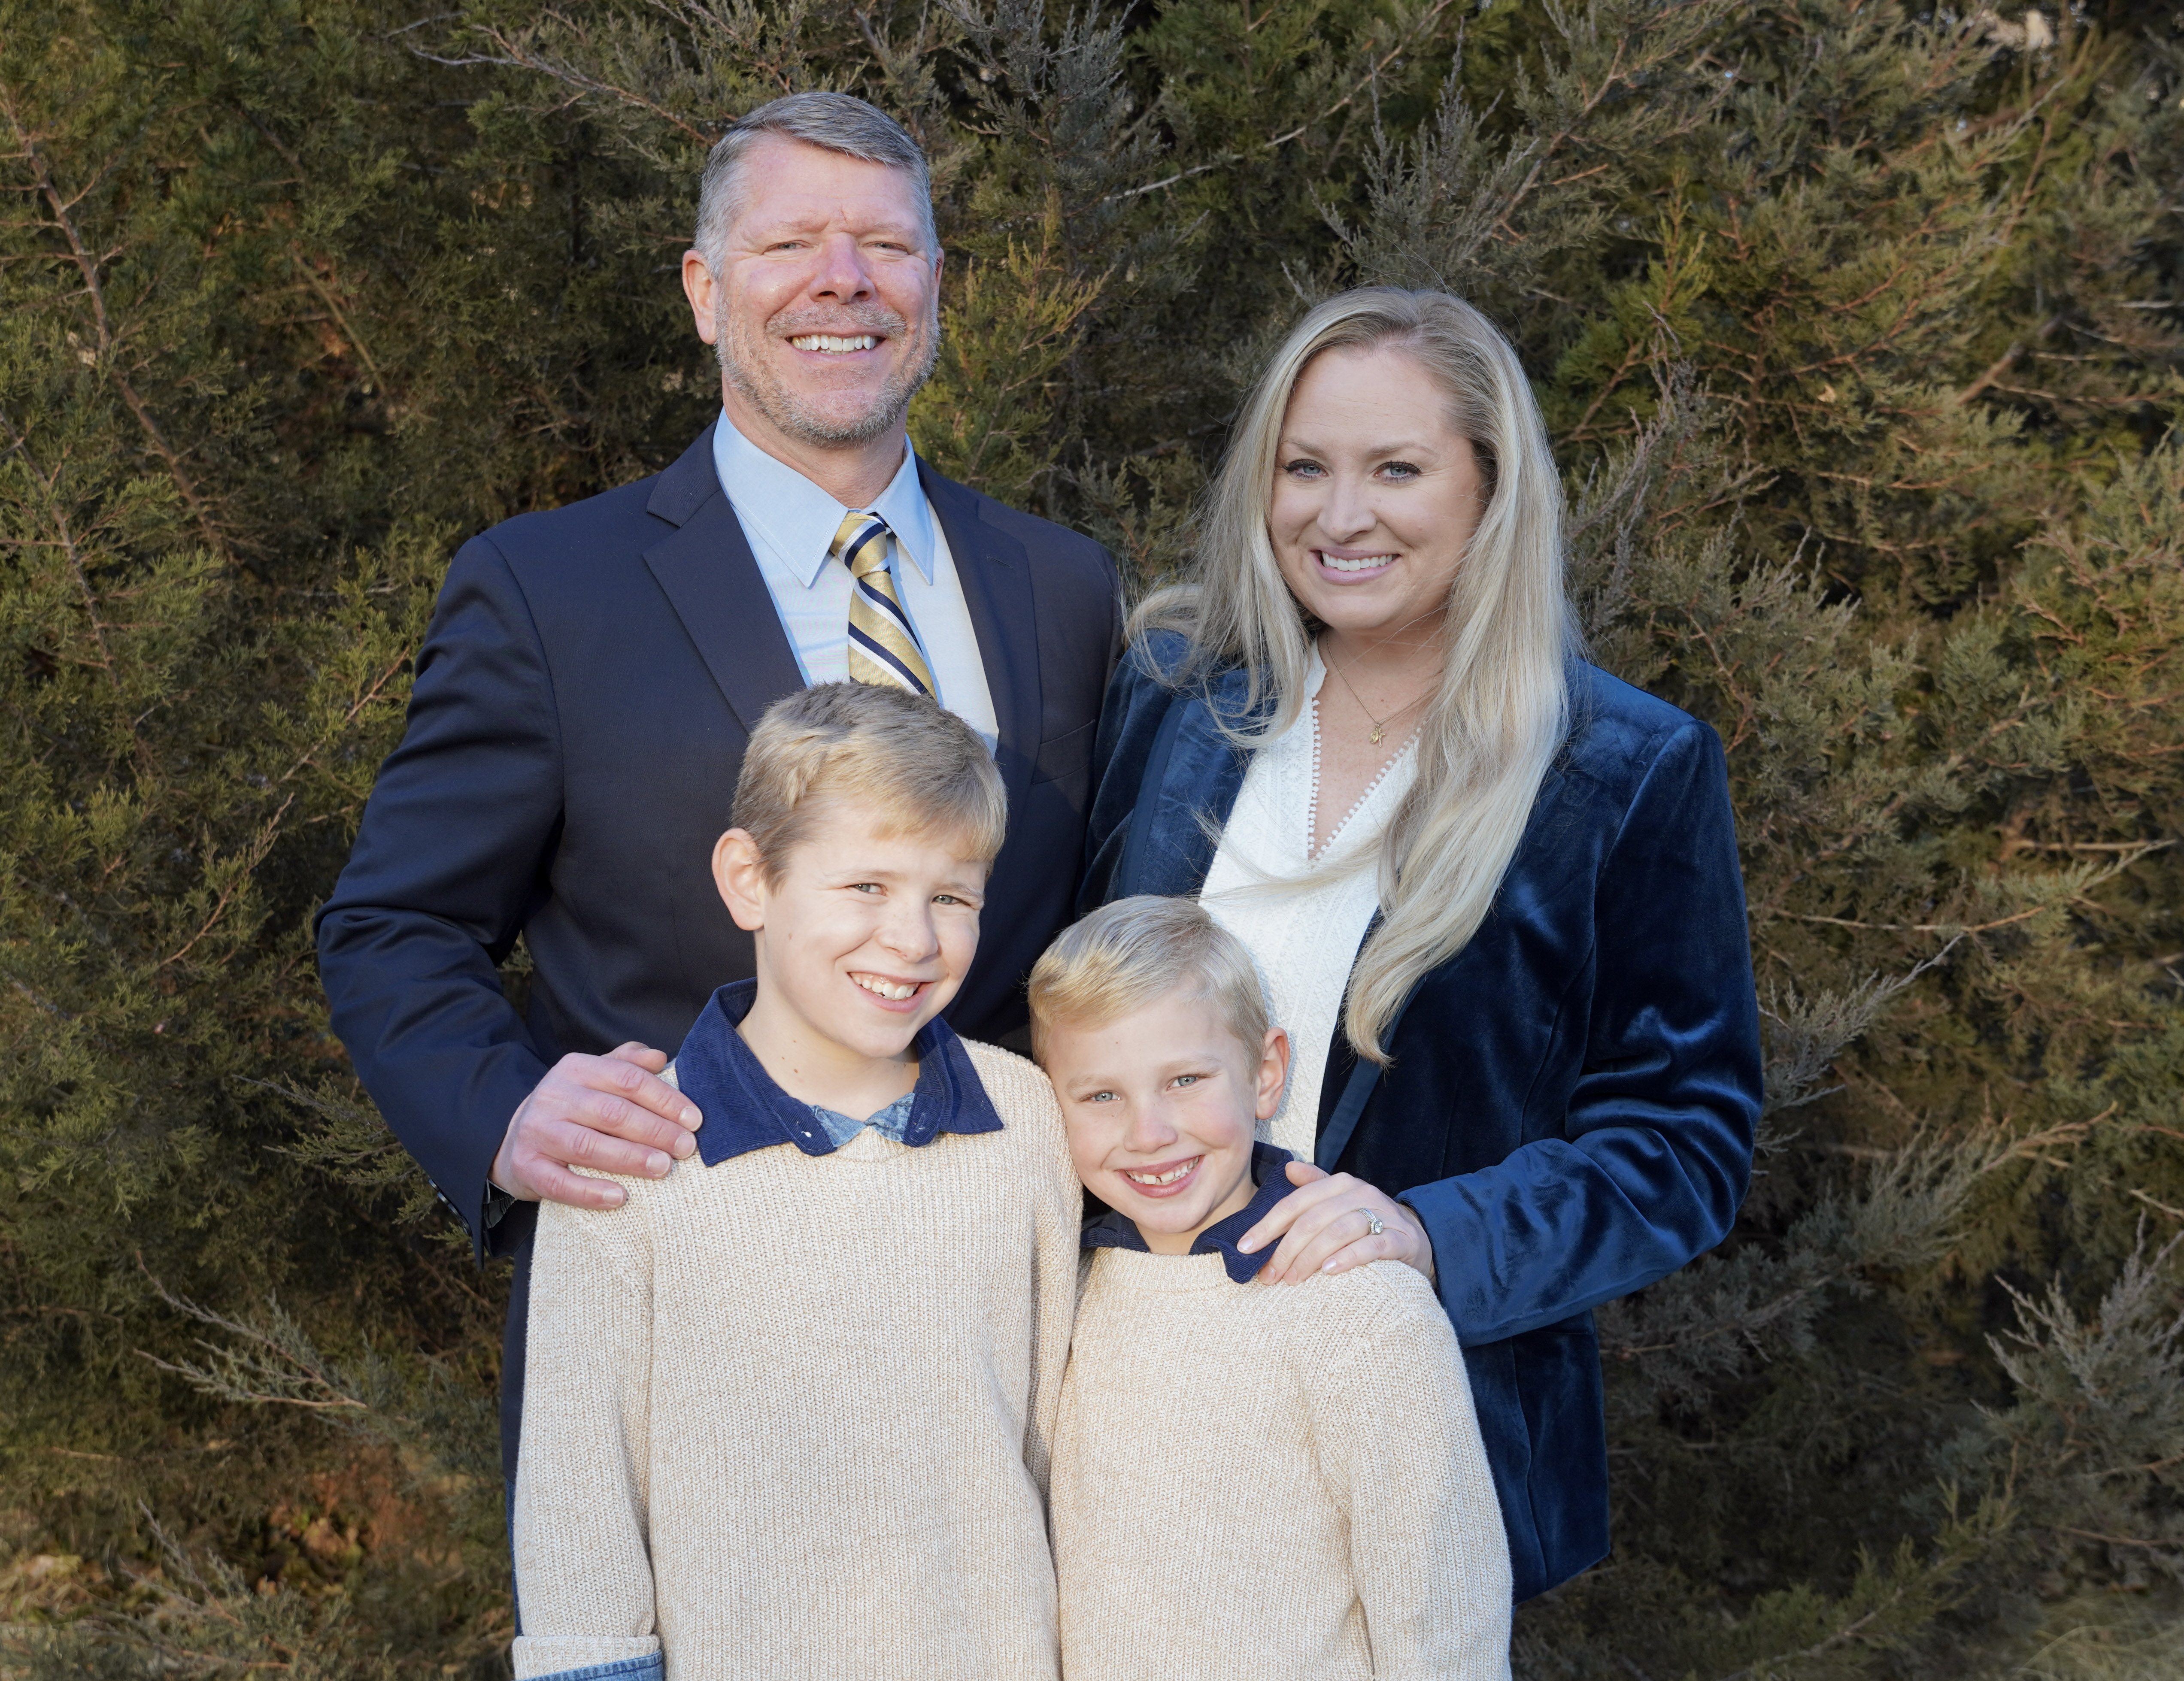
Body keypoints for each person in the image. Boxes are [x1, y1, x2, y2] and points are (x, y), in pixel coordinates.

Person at [314, 92, 1119, 1482]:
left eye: (884, 244)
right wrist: (504, 1109)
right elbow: (393, 924)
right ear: (703, 290)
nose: (841, 281)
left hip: (1018, 1354)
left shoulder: (1061, 586)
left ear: (934, 286)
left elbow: (1099, 942)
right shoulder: (545, 588)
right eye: (788, 243)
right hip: (683, 1348)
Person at [1079, 287, 1762, 1601]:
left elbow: (1685, 1140)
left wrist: (1427, 1231)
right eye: (1305, 467)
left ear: (1490, 489)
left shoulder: (1622, 769)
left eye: (1396, 469)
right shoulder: (1172, 695)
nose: (1340, 517)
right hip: (1129, 1417)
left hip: (1416, 1436)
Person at [511, 682, 1079, 1681]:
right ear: (750, 881)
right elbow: (577, 1502)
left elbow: (1059, 1439)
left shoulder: (1025, 1119)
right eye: (866, 886)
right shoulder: (631, 1151)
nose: (911, 939)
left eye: (951, 898)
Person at [1031, 895, 1512, 1681]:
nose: (1149, 1131)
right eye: (1101, 1095)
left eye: (1185, 1079)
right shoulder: (1073, 1293)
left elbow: (1445, 1615)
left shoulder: (1361, 1306)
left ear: (1265, 1073)